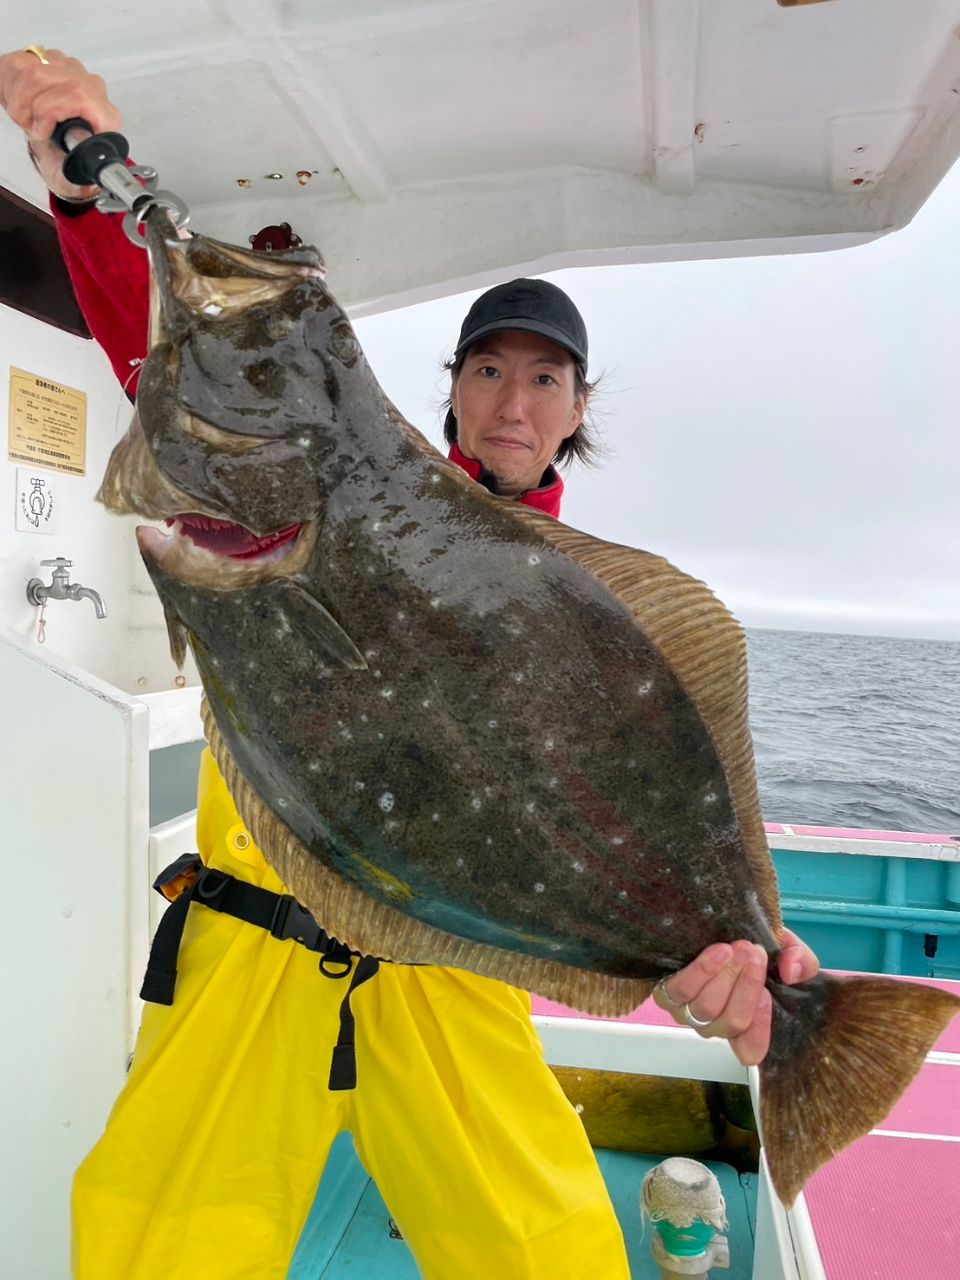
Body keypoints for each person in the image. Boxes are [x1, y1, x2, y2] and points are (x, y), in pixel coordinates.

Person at [0, 47, 819, 1280]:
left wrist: (740, 941)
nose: (513, 400)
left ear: (579, 407)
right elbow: (160, 356)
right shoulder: (346, 487)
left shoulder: (591, 608)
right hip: (251, 944)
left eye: (546, 378)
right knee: (154, 1245)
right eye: (491, 367)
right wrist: (77, 192)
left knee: (548, 1254)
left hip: (447, 967)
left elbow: (630, 805)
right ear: (452, 385)